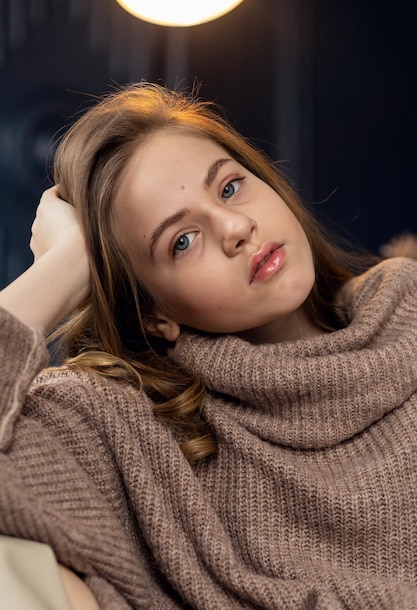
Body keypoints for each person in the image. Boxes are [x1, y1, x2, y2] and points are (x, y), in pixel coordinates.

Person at [1, 82, 417, 610]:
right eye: (181, 241)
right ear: (154, 314)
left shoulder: (406, 311)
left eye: (228, 188)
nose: (236, 227)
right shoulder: (125, 428)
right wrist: (66, 267)